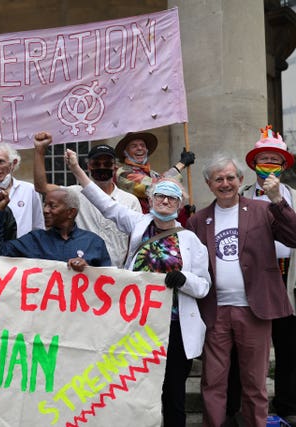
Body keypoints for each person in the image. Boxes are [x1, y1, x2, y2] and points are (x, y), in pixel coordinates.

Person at [65, 150, 210, 427]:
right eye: (160, 196)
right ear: (151, 200)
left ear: (179, 204)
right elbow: (103, 203)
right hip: (139, 326)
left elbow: (203, 286)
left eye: (171, 198)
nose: (165, 201)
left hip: (175, 329)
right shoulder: (138, 225)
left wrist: (185, 281)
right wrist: (76, 170)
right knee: (137, 389)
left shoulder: (191, 240)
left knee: (173, 395)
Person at [186, 153, 296, 427]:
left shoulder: (262, 210)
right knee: (213, 381)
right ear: (209, 184)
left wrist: (277, 201)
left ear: (241, 180)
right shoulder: (198, 221)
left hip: (253, 310)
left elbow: (294, 237)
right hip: (214, 311)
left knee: (254, 382)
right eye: (218, 179)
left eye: (230, 178)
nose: (225, 184)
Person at [226, 126, 296, 425]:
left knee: (289, 348)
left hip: (286, 279)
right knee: (244, 348)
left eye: (274, 160)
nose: (268, 164)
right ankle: (238, 409)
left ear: (282, 166)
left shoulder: (293, 196)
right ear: (254, 164)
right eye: (263, 158)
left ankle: (288, 406)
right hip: (250, 281)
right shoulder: (238, 196)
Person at [33, 131, 142, 267]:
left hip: (117, 276)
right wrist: (39, 150)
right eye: (96, 163)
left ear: (115, 167)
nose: (102, 167)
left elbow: (137, 240)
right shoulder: (75, 193)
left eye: (107, 164)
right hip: (82, 271)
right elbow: (41, 186)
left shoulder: (130, 200)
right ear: (89, 166)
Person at [0, 187, 112, 269]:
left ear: (71, 212)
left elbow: (109, 281)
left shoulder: (93, 242)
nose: (45, 210)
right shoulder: (35, 240)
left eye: (52, 206)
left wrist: (88, 270)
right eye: (45, 205)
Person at [114, 132, 195, 217]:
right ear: (125, 152)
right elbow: (157, 186)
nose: (140, 148)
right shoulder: (123, 172)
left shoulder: (152, 173)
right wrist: (180, 165)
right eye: (134, 146)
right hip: (136, 223)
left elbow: (164, 184)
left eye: (143, 145)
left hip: (155, 222)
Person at [0, 142, 44, 237]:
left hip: (24, 249)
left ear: (13, 163)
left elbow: (38, 225)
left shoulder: (29, 190)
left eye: (1, 161)